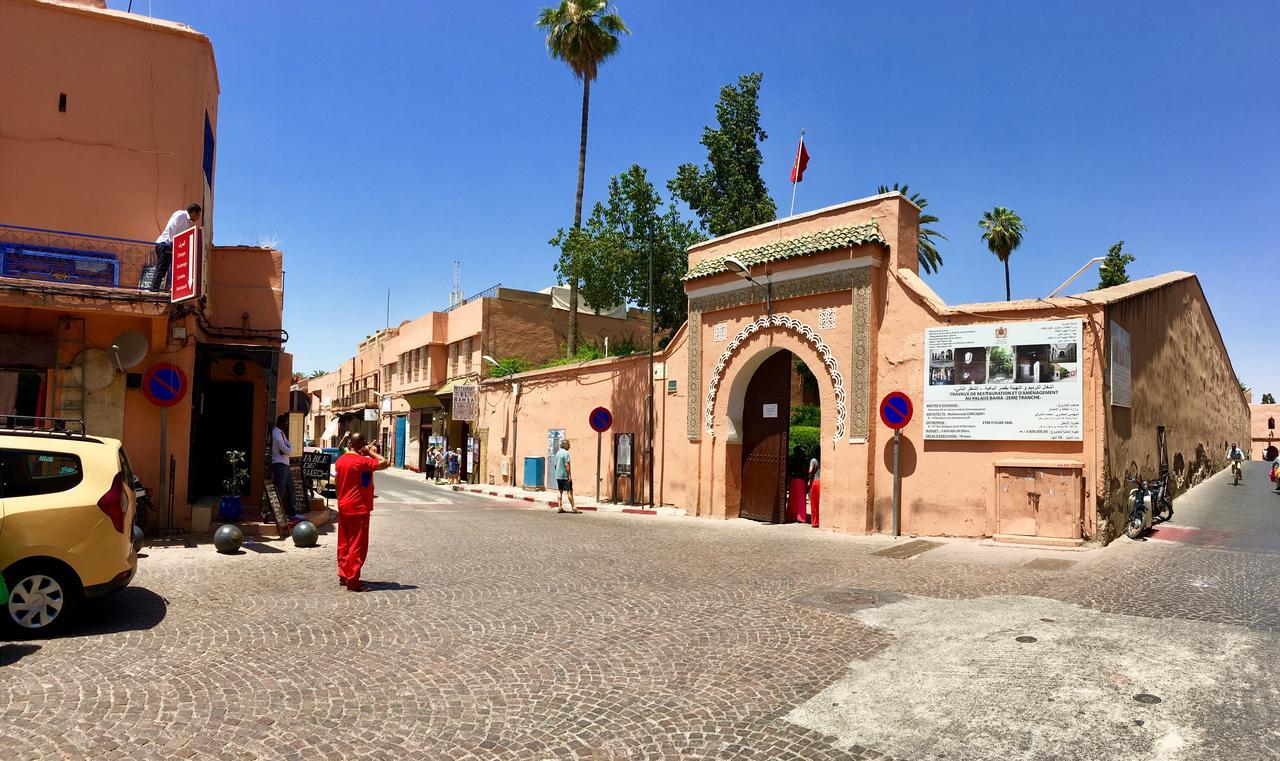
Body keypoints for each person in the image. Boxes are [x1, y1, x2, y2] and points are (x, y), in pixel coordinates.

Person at [333, 432, 389, 591]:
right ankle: (353, 581)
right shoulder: (361, 461)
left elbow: (337, 483)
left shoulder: (340, 461)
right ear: (362, 445)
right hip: (359, 507)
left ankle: (343, 575)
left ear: (350, 443)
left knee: (344, 543)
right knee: (357, 544)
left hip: (343, 506)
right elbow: (385, 462)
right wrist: (370, 452)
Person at [153, 203, 201, 290]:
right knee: (162, 268)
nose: (198, 218)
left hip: (171, 246)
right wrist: (172, 243)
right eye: (198, 215)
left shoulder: (187, 221)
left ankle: (168, 289)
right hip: (166, 244)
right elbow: (172, 227)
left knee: (171, 268)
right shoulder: (182, 214)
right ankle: (154, 290)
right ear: (193, 212)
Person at [271, 414, 301, 519]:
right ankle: (277, 514)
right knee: (280, 490)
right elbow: (287, 450)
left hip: (286, 464)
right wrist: (287, 449)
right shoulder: (276, 434)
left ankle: (292, 513)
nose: (287, 425)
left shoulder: (282, 433)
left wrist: (287, 449)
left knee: (291, 488)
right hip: (279, 464)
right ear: (280, 423)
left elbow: (290, 447)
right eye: (286, 423)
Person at [554, 439, 580, 513]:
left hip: (558, 475)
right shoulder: (566, 453)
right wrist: (569, 475)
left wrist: (557, 473)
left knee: (560, 490)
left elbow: (555, 465)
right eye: (568, 445)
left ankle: (559, 507)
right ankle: (573, 507)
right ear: (565, 445)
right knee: (569, 491)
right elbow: (567, 465)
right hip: (565, 475)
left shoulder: (557, 453)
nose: (569, 446)